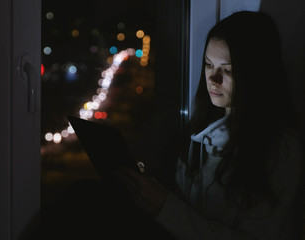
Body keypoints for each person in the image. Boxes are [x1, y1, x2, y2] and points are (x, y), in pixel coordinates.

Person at [113, 11, 304, 239]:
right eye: (208, 64)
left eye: (228, 70)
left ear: (256, 73)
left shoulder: (281, 149)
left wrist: (164, 206)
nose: (213, 79)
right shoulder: (201, 130)